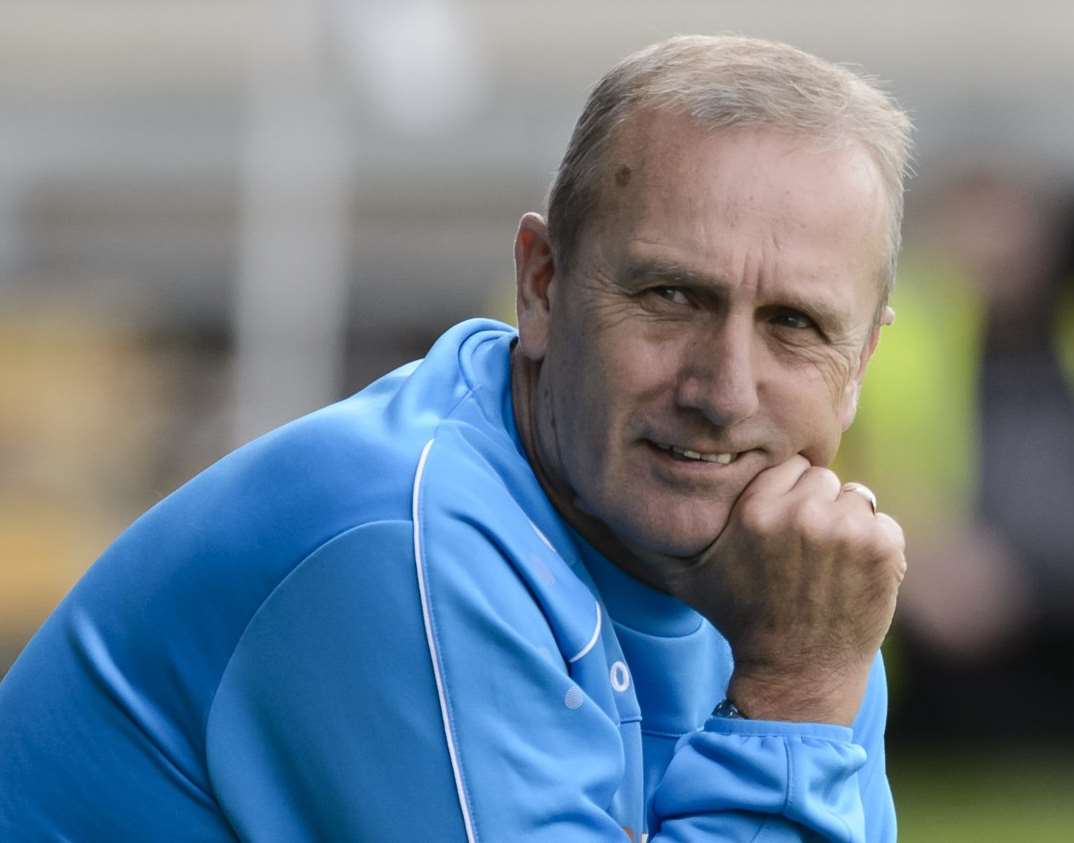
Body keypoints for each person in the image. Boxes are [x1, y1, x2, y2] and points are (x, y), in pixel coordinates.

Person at [0, 35, 912, 841]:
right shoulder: (397, 541)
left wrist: (802, 683)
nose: (724, 389)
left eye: (795, 324)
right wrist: (794, 698)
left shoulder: (795, 591)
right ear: (543, 286)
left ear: (862, 360)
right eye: (672, 296)